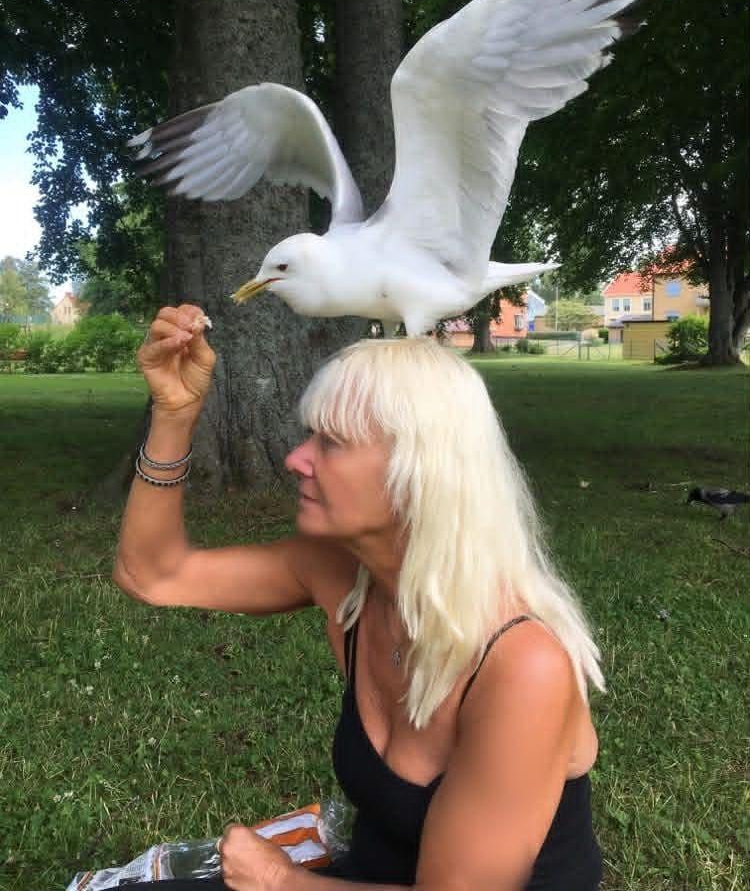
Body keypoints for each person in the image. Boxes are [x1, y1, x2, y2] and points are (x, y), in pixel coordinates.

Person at [114, 303, 605, 891]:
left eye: (332, 442)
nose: (296, 459)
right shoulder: (343, 574)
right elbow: (152, 575)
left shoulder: (523, 664)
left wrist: (277, 881)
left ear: (418, 472)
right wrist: (175, 414)